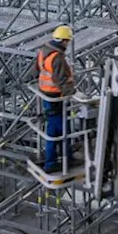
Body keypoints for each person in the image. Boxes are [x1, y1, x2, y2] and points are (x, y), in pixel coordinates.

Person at [37, 25, 76, 171]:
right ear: (64, 41)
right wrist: (72, 93)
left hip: (46, 95)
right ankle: (54, 162)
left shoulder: (43, 52)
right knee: (59, 130)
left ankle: (65, 156)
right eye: (68, 41)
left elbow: (35, 70)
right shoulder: (57, 58)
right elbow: (61, 80)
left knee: (57, 128)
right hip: (56, 98)